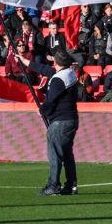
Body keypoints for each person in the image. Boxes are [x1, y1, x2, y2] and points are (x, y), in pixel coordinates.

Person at [37, 49, 81, 196]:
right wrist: (25, 61)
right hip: (71, 119)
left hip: (60, 121)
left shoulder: (57, 79)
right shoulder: (69, 73)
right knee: (67, 153)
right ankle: (71, 185)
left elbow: (51, 100)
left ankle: (53, 185)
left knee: (54, 153)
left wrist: (43, 110)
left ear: (55, 62)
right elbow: (46, 70)